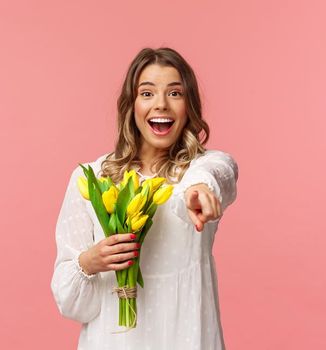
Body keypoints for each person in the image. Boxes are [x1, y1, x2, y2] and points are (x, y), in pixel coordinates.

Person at [50, 47, 239, 350]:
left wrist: (198, 192)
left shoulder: (202, 168)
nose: (161, 104)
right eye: (147, 93)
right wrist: (90, 262)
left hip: (185, 338)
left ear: (188, 105)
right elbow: (72, 305)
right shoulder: (92, 178)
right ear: (131, 104)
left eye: (175, 93)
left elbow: (215, 175)